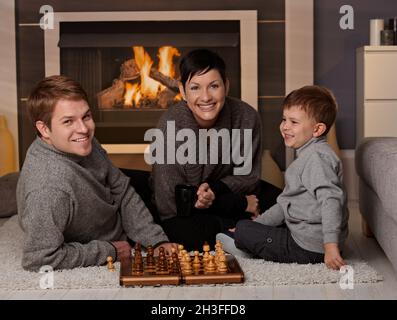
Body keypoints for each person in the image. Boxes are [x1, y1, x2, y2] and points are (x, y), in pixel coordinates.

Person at [17, 75, 177, 271]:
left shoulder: (78, 140)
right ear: (44, 129)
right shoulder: (49, 190)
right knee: (193, 230)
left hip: (108, 203)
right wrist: (108, 250)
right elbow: (38, 258)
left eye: (86, 116)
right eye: (68, 121)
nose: (84, 129)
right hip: (99, 222)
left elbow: (122, 189)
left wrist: (156, 241)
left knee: (166, 188)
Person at [150, 49, 282, 250]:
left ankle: (242, 231)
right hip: (185, 212)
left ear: (226, 86)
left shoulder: (246, 116)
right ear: (183, 91)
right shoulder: (170, 125)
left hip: (222, 194)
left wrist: (215, 191)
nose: (205, 97)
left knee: (286, 205)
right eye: (195, 88)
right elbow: (169, 206)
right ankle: (247, 231)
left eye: (214, 86)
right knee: (178, 231)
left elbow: (249, 178)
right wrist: (238, 204)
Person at [218, 85, 349, 270]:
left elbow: (331, 200)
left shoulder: (316, 159)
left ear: (317, 129)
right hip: (309, 237)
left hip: (309, 247)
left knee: (243, 229)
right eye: (284, 119)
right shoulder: (311, 154)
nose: (285, 126)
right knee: (248, 227)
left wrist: (330, 245)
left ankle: (245, 246)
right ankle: (248, 234)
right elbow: (284, 204)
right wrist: (257, 225)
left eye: (294, 122)